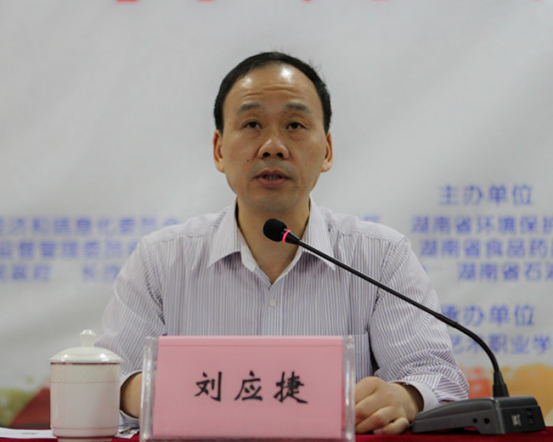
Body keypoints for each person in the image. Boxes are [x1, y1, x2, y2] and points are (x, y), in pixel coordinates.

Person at [96, 51, 468, 434]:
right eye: (252, 124)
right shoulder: (160, 261)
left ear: (327, 151)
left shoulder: (380, 257)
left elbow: (437, 376)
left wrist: (405, 397)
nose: (273, 146)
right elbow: (105, 379)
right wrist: (149, 391)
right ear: (219, 150)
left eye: (294, 125)